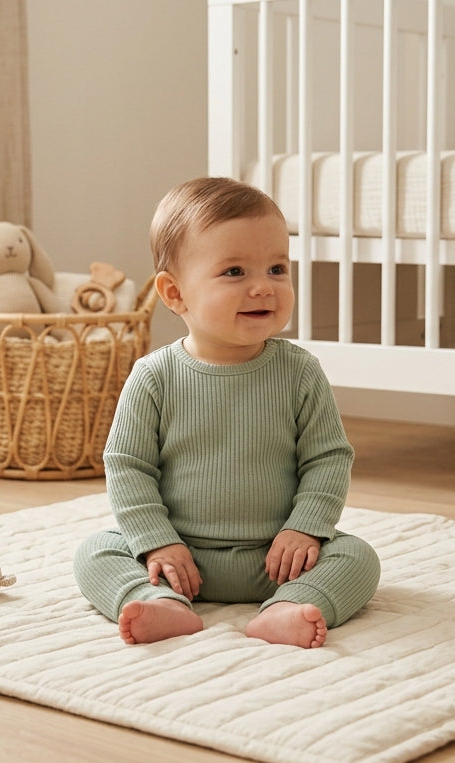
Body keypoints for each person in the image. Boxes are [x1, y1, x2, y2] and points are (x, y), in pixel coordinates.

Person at [73, 176, 381, 649]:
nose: (263, 288)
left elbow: (328, 459)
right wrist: (157, 542)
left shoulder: (299, 371)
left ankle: (289, 606)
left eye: (277, 269)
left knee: (358, 557)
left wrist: (305, 529)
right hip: (180, 560)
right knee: (96, 551)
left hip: (277, 558)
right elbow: (127, 466)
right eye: (235, 272)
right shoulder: (154, 376)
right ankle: (158, 603)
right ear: (174, 293)